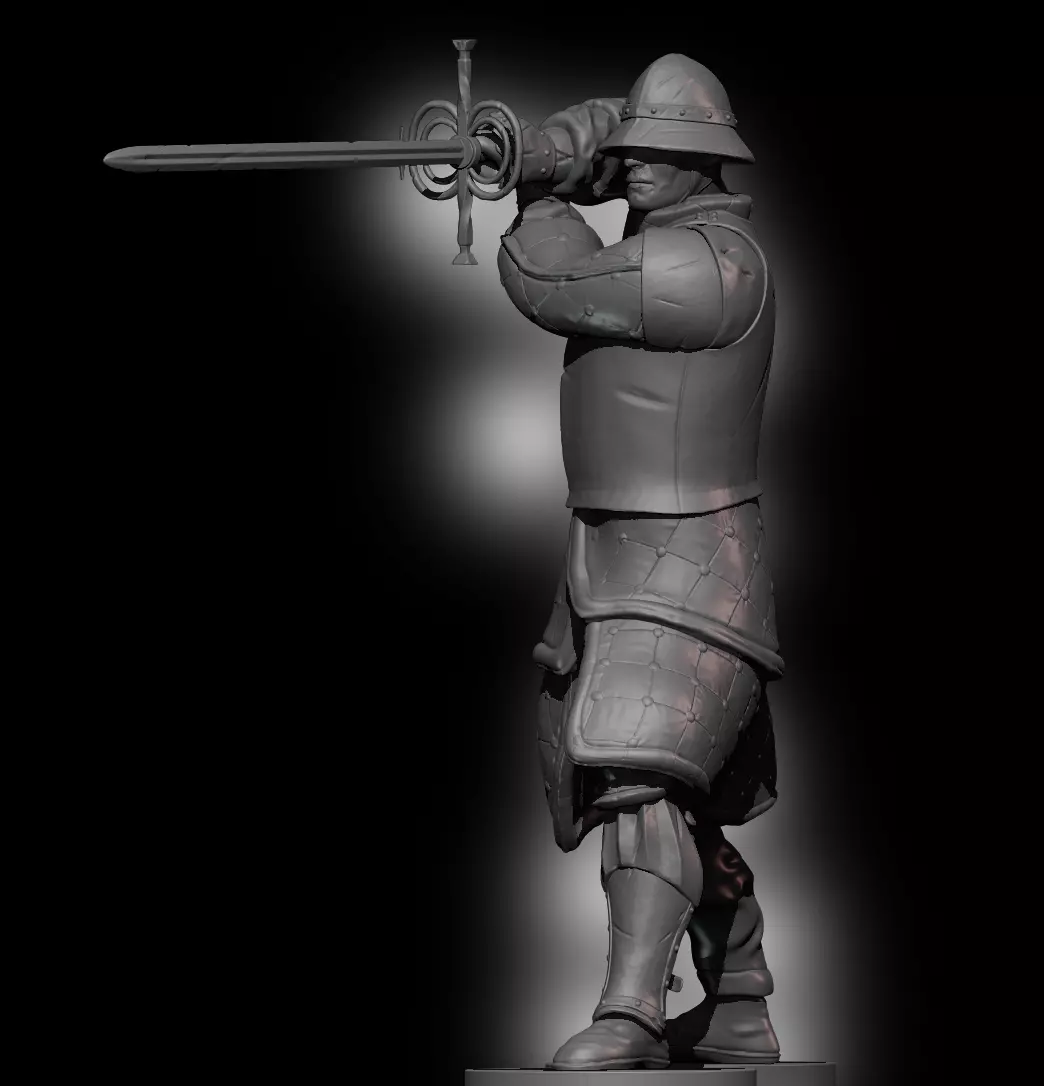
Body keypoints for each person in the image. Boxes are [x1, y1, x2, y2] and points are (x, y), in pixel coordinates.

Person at [493, 53, 785, 1071]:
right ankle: (738, 997)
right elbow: (605, 160)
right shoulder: (668, 235)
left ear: (710, 161)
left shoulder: (714, 266)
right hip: (614, 561)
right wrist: (563, 145)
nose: (646, 162)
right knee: (662, 794)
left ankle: (631, 1010)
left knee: (637, 783)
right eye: (636, 149)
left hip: (685, 569)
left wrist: (536, 182)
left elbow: (553, 282)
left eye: (669, 148)